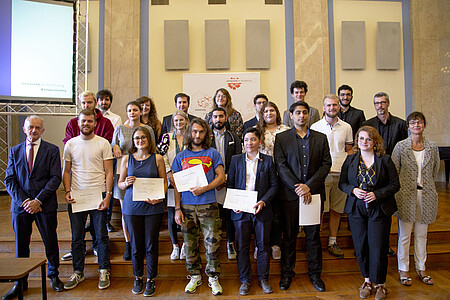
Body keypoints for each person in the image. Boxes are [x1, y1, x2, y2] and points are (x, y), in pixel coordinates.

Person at [3, 116, 64, 299]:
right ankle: (20, 283)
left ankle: (54, 276)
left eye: (38, 128)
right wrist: (25, 202)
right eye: (31, 127)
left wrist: (38, 200)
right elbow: (9, 180)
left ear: (42, 131)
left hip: (44, 206)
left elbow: (55, 178)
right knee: (21, 246)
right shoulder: (14, 151)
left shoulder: (52, 150)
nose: (34, 130)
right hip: (21, 207)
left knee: (50, 242)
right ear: (24, 128)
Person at [274, 101, 331, 292]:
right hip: (290, 196)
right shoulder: (281, 138)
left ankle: (315, 275)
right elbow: (281, 165)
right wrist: (298, 187)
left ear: (309, 115)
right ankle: (287, 273)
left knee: (313, 237)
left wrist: (308, 187)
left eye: (305, 112)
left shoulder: (320, 138)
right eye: (297, 112)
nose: (301, 116)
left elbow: (326, 164)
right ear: (291, 115)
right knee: (289, 236)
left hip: (313, 195)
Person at [339, 126, 399, 300]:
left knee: (378, 246)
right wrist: (353, 190)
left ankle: (380, 283)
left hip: (379, 208)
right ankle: (367, 281)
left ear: (375, 142)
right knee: (361, 246)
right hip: (356, 208)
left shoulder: (385, 160)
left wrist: (377, 194)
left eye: (368, 139)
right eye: (361, 139)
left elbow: (395, 185)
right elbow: (342, 183)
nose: (364, 142)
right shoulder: (350, 160)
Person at [172, 118, 225, 296]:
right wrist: (177, 208)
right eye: (194, 131)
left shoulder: (213, 153)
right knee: (189, 244)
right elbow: (177, 185)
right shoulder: (180, 157)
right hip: (186, 207)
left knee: (212, 244)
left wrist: (205, 188)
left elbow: (221, 177)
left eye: (201, 132)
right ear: (189, 133)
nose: (197, 135)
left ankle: (212, 277)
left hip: (208, 205)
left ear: (206, 134)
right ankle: (194, 275)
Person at [62, 109, 113, 290]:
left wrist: (108, 195)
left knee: (101, 235)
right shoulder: (70, 144)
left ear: (95, 123)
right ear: (78, 122)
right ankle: (78, 272)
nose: (86, 124)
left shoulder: (103, 143)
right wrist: (67, 191)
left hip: (98, 195)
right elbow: (66, 171)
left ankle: (104, 270)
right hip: (77, 196)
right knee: (77, 237)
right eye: (83, 121)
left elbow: (108, 171)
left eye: (90, 121)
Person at [227, 127, 278, 296]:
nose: (250, 143)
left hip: (261, 210)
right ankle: (245, 281)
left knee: (263, 246)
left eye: (253, 139)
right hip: (240, 211)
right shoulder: (236, 160)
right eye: (247, 140)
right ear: (243, 142)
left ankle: (264, 279)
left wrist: (263, 201)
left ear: (259, 142)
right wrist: (234, 203)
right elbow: (231, 184)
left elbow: (274, 186)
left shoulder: (268, 161)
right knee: (242, 247)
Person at [118, 127, 168, 296]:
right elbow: (119, 184)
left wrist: (159, 197)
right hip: (132, 208)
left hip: (153, 207)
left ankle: (151, 279)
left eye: (143, 137)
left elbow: (164, 182)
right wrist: (125, 183)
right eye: (137, 138)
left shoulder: (158, 158)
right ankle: (138, 276)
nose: (140, 140)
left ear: (149, 139)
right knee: (135, 245)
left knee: (151, 244)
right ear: (133, 141)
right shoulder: (126, 159)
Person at [392, 112, 440, 287]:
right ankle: (403, 269)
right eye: (413, 123)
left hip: (426, 195)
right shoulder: (401, 147)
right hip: (406, 196)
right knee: (404, 235)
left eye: (419, 122)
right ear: (408, 126)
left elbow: (435, 170)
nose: (416, 125)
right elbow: (394, 171)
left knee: (422, 235)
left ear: (424, 125)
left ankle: (421, 268)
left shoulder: (432, 147)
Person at [112, 101, 155, 261]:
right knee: (126, 212)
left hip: (143, 173)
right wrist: (114, 147)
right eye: (129, 110)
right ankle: (129, 243)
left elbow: (152, 148)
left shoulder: (148, 129)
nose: (132, 112)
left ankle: (142, 244)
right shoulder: (119, 128)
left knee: (143, 212)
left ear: (140, 111)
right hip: (124, 175)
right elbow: (114, 145)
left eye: (135, 110)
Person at [311, 94, 353, 258]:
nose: (332, 108)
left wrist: (348, 168)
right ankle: (316, 242)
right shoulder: (315, 127)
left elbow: (349, 150)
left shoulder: (346, 127)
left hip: (341, 175)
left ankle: (332, 241)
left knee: (337, 210)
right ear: (323, 107)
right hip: (322, 175)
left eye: (335, 105)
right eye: (328, 105)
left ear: (338, 107)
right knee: (319, 209)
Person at [256, 101, 289, 260]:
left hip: (282, 176)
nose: (269, 113)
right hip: (262, 175)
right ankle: (260, 244)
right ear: (262, 114)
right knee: (262, 212)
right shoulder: (257, 131)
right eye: (266, 111)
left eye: (272, 110)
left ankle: (275, 244)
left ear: (277, 113)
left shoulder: (286, 130)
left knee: (277, 213)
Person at [210, 107, 242, 260]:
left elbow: (237, 161)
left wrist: (225, 179)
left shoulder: (234, 137)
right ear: (211, 119)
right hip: (211, 184)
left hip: (229, 181)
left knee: (229, 215)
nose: (218, 119)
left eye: (221, 116)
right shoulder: (206, 138)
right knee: (214, 216)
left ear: (226, 118)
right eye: (215, 116)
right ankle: (213, 246)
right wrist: (215, 180)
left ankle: (230, 243)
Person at [158, 110, 190, 260]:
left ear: (186, 121)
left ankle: (185, 245)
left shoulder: (191, 137)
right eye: (176, 120)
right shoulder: (166, 137)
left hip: (188, 180)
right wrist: (168, 172)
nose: (179, 123)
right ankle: (175, 246)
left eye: (181, 120)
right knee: (172, 214)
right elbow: (162, 155)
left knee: (187, 214)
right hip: (171, 180)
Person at [97, 89, 122, 233]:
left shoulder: (115, 118)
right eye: (101, 99)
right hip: (94, 158)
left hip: (109, 157)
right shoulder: (92, 117)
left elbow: (114, 139)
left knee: (108, 188)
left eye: (107, 99)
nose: (104, 102)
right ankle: (94, 219)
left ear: (110, 102)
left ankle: (107, 220)